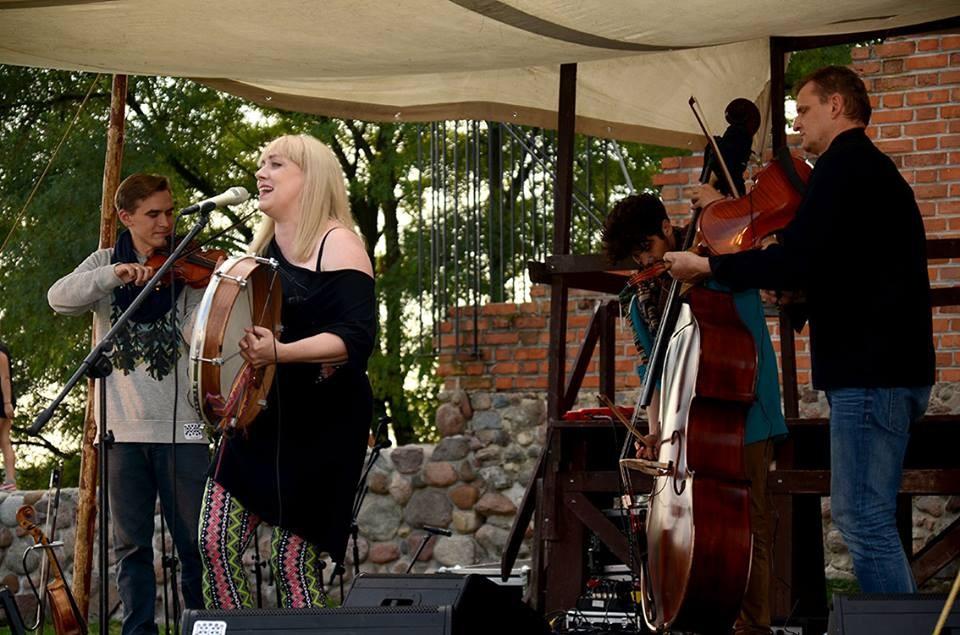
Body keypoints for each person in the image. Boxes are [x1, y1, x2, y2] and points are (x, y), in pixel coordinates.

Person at [665, 65, 935, 594]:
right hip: (892, 367)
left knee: (862, 519)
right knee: (871, 518)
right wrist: (799, 293)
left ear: (836, 106)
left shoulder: (841, 167)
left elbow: (797, 259)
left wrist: (708, 268)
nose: (798, 125)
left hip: (869, 371)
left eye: (804, 110)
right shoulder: (871, 171)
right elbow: (845, 270)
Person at [199, 134, 376, 609]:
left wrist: (281, 351)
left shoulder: (339, 243)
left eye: (275, 164)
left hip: (325, 421)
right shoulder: (261, 249)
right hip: (263, 417)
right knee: (214, 541)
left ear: (310, 177)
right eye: (260, 164)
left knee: (292, 562)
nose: (261, 173)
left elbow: (357, 339)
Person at [603, 192, 786, 635]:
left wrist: (722, 206)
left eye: (647, 249)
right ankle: (700, 613)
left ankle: (753, 626)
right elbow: (654, 369)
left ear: (668, 229)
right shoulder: (640, 299)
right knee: (696, 527)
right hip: (687, 426)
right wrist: (657, 429)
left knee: (750, 523)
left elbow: (749, 282)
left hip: (744, 411)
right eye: (635, 256)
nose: (644, 261)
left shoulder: (715, 271)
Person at [48, 174, 208, 634]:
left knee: (195, 545)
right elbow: (59, 298)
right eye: (153, 214)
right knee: (132, 548)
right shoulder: (105, 262)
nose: (166, 222)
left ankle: (203, 628)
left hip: (188, 429)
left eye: (170, 212)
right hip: (121, 432)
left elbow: (211, 330)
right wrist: (113, 275)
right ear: (126, 217)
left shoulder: (189, 264)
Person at [0, 340, 16, 490]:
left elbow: (5, 378)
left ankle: (10, 480)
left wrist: (7, 402)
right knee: (4, 440)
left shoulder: (0, 352)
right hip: (5, 400)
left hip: (2, 400)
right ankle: (10, 481)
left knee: (4, 440)